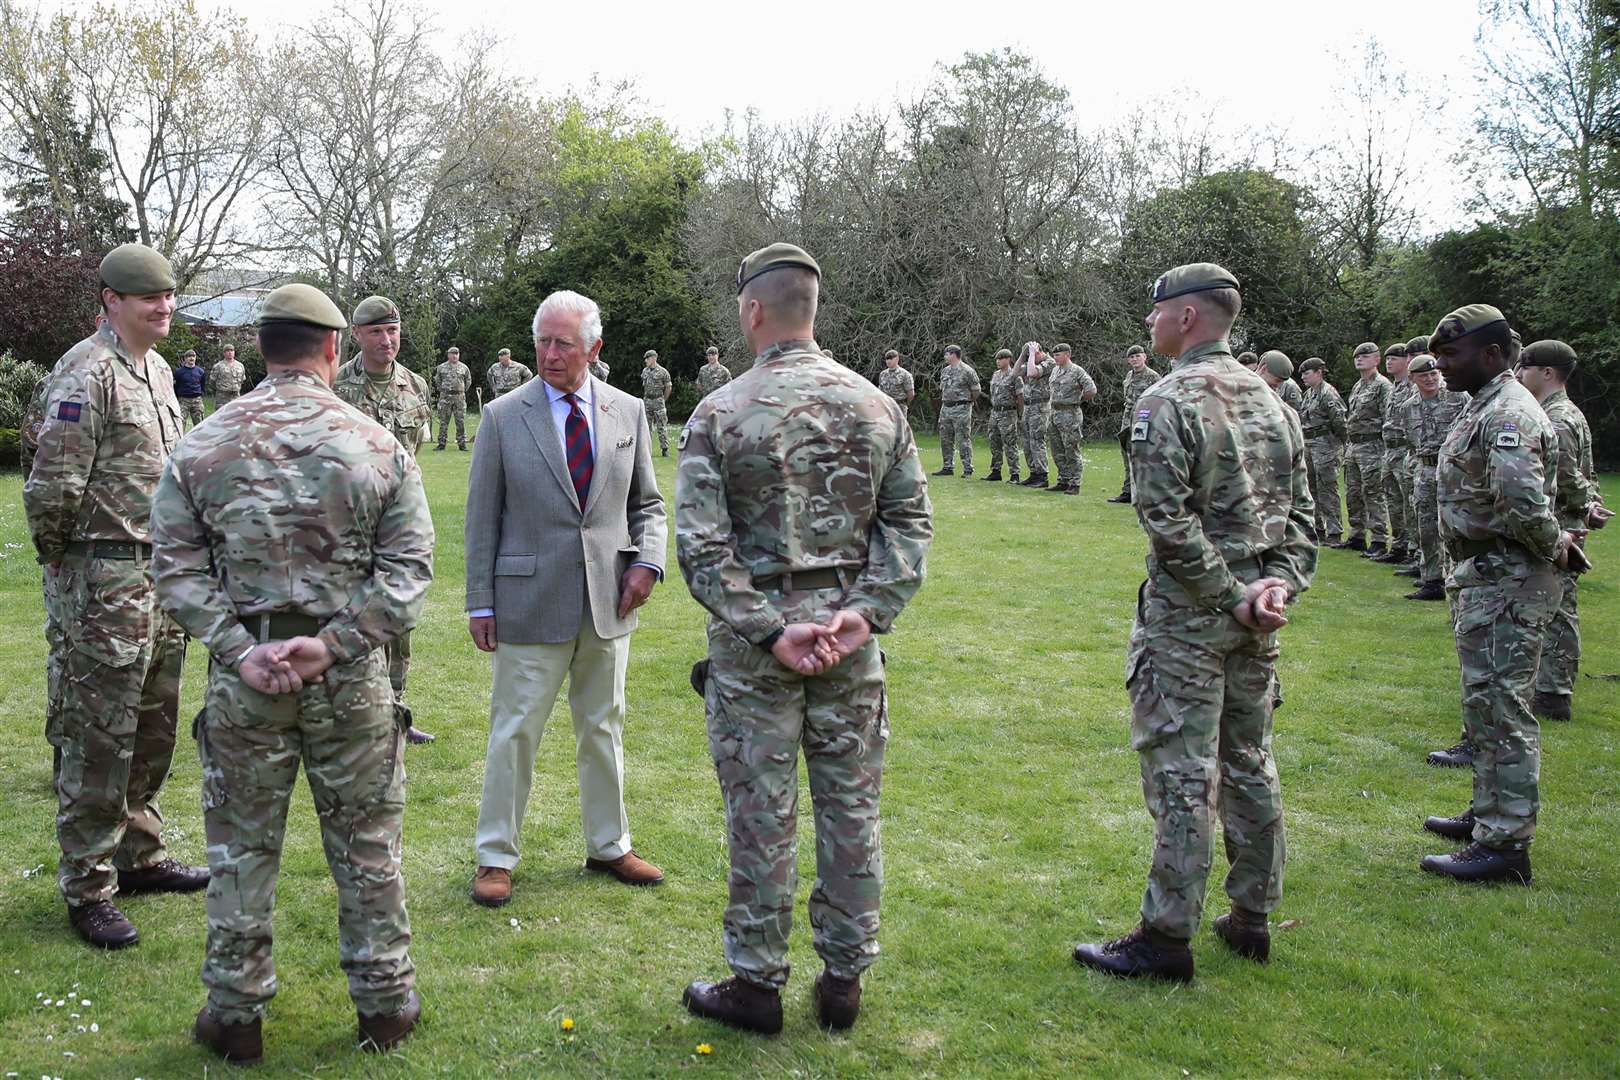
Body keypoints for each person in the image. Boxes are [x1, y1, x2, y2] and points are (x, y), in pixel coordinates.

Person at [148, 282, 432, 1064]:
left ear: (263, 347)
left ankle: (235, 1014)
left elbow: (172, 566)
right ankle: (385, 1003)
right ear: (333, 348)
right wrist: (338, 643)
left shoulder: (204, 443)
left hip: (249, 677)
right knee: (367, 841)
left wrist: (239, 648)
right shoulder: (376, 443)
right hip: (349, 678)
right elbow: (409, 570)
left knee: (241, 847)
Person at [676, 242, 932, 1034]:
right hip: (848, 647)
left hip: (760, 655)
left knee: (761, 811)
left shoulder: (720, 411)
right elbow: (910, 524)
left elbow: (701, 547)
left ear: (752, 311)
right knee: (852, 809)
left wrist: (770, 629)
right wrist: (862, 615)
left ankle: (756, 983)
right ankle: (845, 979)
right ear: (810, 309)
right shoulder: (875, 404)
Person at [1073, 263, 1314, 982]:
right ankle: (1252, 915)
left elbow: (1166, 521)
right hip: (1253, 619)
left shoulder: (1167, 399)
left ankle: (1167, 935)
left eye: (1155, 314)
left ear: (1184, 317)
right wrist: (1276, 588)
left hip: (1192, 619)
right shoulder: (1274, 405)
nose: (1148, 326)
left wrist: (1230, 594)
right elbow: (1303, 519)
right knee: (1249, 760)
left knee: (1184, 773)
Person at [23, 243, 203, 950]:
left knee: (154, 725)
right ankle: (88, 884)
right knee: (99, 731)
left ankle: (140, 855)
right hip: (102, 580)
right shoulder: (87, 371)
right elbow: (52, 490)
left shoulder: (157, 370)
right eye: (148, 297)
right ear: (110, 300)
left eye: (169, 296)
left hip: (159, 577)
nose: (164, 307)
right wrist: (70, 572)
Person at [465, 290, 669, 907]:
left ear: (594, 349)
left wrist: (649, 563)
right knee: (515, 732)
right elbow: (482, 518)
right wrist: (480, 601)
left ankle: (610, 845)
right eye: (542, 342)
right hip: (527, 601)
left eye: (563, 343)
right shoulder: (503, 416)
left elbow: (649, 506)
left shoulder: (629, 411)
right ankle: (496, 857)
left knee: (603, 727)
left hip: (609, 602)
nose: (549, 355)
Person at [1418, 305, 1578, 885]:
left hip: (1509, 578)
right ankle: (1488, 815)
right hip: (1487, 576)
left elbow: (1523, 503)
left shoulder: (1508, 411)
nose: (1441, 364)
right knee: (1484, 704)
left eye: (1451, 355)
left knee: (1504, 708)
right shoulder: (1484, 404)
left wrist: (1557, 544)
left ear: (1490, 354)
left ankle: (1506, 845)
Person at [334, 296, 436, 746]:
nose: (386, 339)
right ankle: (348, 713)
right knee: (348, 616)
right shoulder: (335, 387)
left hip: (400, 526)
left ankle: (396, 712)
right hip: (348, 525)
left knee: (400, 620)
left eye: (392, 331)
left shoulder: (415, 386)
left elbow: (416, 455)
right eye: (376, 331)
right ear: (356, 335)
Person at [1516, 340, 1610, 721]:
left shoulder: (1556, 419)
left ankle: (1554, 693)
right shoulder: (1565, 412)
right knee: (1557, 606)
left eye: (1526, 368)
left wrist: (1585, 508)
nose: (1519, 375)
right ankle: (1552, 686)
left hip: (1559, 524)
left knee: (1556, 608)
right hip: (1565, 522)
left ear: (1548, 373)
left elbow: (1569, 476)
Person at [1401, 351, 1470, 601]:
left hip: (1454, 470)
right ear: (1413, 378)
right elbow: (1411, 441)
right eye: (1424, 375)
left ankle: (1459, 578)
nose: (1430, 379)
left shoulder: (1458, 398)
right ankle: (1432, 580)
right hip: (1426, 470)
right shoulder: (1408, 408)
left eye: (1434, 373)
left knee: (1455, 525)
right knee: (1426, 528)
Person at [1342, 342, 1391, 554]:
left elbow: (1387, 418)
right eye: (1356, 356)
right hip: (1354, 445)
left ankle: (1379, 539)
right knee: (1353, 492)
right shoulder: (1358, 385)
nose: (1359, 359)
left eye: (1365, 355)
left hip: (1373, 445)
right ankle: (1357, 535)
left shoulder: (1382, 385)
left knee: (1373, 492)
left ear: (1376, 359)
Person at [1374, 343, 1417, 567]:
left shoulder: (1414, 386)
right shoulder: (1395, 387)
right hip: (1389, 450)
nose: (1390, 361)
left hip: (1404, 449)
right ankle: (1400, 545)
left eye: (1396, 357)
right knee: (1393, 500)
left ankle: (1415, 551)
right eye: (1387, 357)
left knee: (1410, 502)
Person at [1299, 358, 1348, 545]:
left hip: (1326, 445)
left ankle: (1334, 532)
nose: (1303, 376)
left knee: (1327, 488)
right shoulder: (1309, 394)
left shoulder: (1328, 393)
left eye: (1307, 373)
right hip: (1310, 444)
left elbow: (1340, 422)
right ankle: (1317, 528)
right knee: (1311, 488)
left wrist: (1339, 445)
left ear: (1319, 372)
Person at [1110, 345, 1159, 503]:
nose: (1135, 359)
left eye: (1138, 356)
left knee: (1143, 455)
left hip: (1144, 417)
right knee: (1126, 454)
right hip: (1128, 418)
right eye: (1131, 357)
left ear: (1145, 357)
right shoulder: (1129, 375)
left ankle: (1147, 492)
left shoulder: (1153, 377)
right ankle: (1128, 491)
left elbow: (1158, 401)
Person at [1045, 344, 1096, 495]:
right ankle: (1063, 480)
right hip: (1054, 413)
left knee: (1071, 448)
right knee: (1057, 449)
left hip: (1070, 414)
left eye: (1058, 355)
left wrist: (1077, 400)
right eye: (1054, 355)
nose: (1055, 357)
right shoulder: (1055, 370)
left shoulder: (1077, 371)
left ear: (1067, 354)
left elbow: (1091, 389)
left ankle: (1075, 483)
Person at [934, 345, 979, 476]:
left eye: (946, 354)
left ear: (954, 354)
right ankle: (947, 467)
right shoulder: (945, 371)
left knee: (963, 438)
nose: (945, 356)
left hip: (961, 408)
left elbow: (976, 390)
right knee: (945, 438)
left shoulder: (967, 371)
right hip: (946, 407)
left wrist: (967, 402)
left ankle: (967, 468)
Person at [985, 348, 1024, 483]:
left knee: (1010, 443)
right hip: (995, 412)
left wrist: (1020, 414)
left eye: (1000, 358)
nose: (998, 361)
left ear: (1008, 359)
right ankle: (996, 471)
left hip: (1008, 413)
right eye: (997, 359)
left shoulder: (1015, 375)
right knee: (994, 441)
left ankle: (1015, 474)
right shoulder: (996, 375)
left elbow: (1020, 396)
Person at [433, 345, 473, 451]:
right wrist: (443, 390)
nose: (455, 356)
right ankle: (441, 443)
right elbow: (437, 381)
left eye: (457, 354)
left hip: (459, 397)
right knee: (443, 421)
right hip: (445, 397)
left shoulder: (464, 368)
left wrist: (461, 390)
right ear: (448, 355)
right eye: (453, 354)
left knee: (460, 421)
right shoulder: (441, 367)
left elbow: (468, 381)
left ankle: (462, 444)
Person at [640, 349, 674, 456]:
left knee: (661, 426)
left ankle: (665, 449)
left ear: (654, 358)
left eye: (648, 358)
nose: (646, 361)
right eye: (646, 359)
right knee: (646, 426)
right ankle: (646, 449)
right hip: (647, 401)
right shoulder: (645, 371)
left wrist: (663, 399)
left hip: (658, 401)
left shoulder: (663, 372)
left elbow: (668, 387)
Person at [173, 349, 206, 429]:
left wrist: (200, 394)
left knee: (200, 424)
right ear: (185, 358)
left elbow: (203, 384)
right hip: (183, 401)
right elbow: (175, 385)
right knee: (180, 423)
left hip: (197, 401)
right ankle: (180, 440)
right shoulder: (179, 372)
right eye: (189, 356)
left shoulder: (200, 371)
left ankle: (199, 441)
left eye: (193, 356)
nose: (191, 358)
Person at [876, 349, 915, 417]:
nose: (888, 361)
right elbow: (880, 390)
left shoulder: (905, 374)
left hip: (899, 408)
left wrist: (904, 404)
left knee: (899, 427)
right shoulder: (883, 374)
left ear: (897, 359)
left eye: (891, 358)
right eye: (887, 359)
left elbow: (911, 394)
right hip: (885, 407)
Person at [208, 344, 246, 408]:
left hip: (235, 396)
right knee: (222, 416)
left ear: (234, 352)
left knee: (235, 416)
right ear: (224, 353)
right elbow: (212, 381)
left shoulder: (240, 366)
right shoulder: (218, 366)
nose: (230, 352)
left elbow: (242, 380)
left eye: (232, 350)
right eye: (227, 351)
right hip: (222, 398)